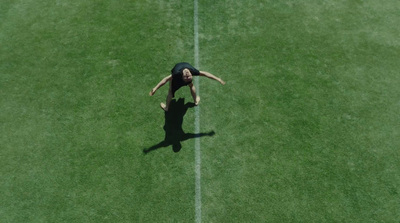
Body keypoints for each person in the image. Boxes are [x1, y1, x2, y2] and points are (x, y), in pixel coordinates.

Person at [149, 62, 225, 111]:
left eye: (187, 76)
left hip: (179, 81)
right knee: (184, 87)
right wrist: (218, 79)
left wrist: (155, 88)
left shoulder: (181, 74)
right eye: (187, 76)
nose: (187, 74)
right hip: (180, 82)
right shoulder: (185, 73)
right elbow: (205, 74)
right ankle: (167, 107)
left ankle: (167, 108)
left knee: (176, 90)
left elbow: (165, 80)